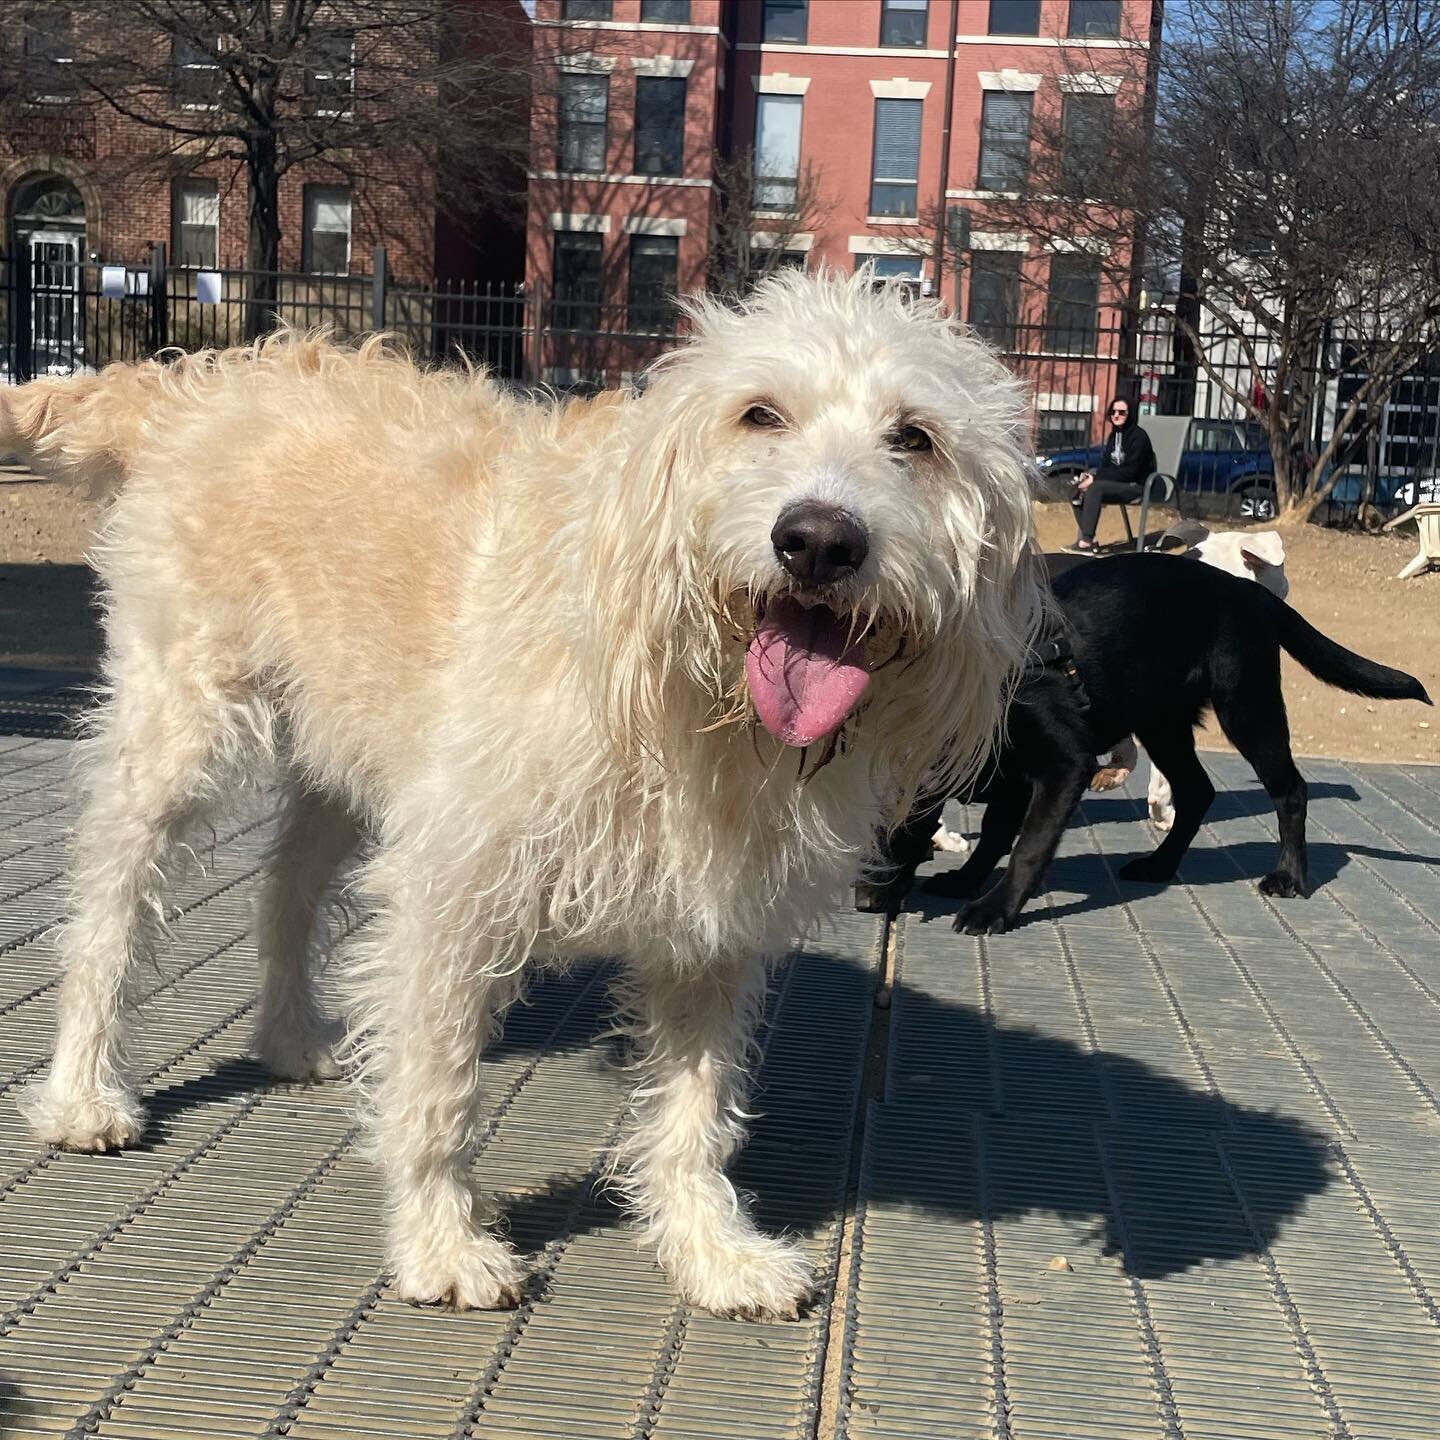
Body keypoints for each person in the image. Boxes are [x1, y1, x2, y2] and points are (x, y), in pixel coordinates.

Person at [1066, 398, 1156, 555]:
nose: (1116, 415)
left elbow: (1131, 472)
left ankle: (1086, 540)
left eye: (1121, 412)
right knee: (1076, 490)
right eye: (1113, 412)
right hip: (1116, 484)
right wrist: (1091, 476)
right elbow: (1107, 466)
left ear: (1130, 414)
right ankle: (1091, 542)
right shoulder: (1114, 436)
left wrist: (1097, 478)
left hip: (1136, 486)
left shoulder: (1139, 437)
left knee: (1095, 488)